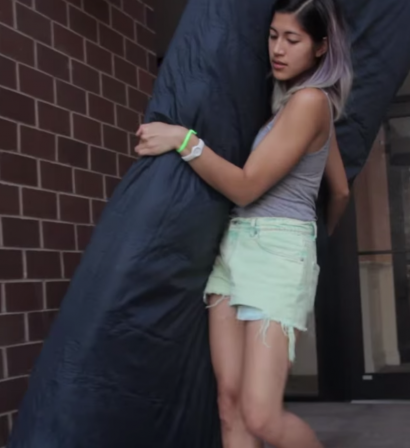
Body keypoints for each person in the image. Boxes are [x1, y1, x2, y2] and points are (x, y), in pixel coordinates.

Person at [135, 0, 352, 446]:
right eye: (273, 35)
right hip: (236, 249)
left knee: (260, 414)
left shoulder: (310, 102)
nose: (278, 48)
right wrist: (317, 243)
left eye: (293, 39)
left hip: (276, 252)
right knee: (228, 404)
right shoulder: (292, 106)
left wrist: (184, 140)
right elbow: (342, 190)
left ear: (320, 48)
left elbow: (246, 187)